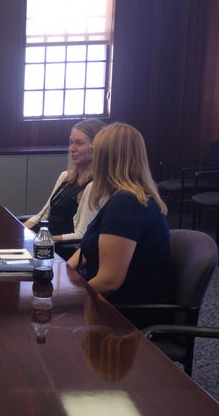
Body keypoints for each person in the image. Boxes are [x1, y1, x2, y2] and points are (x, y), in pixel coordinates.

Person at [67, 122, 172, 307]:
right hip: (113, 303)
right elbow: (90, 250)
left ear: (106, 159)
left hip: (126, 314)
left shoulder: (127, 205)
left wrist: (68, 299)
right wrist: (61, 275)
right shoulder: (124, 198)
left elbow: (109, 282)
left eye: (95, 152)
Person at [24, 119, 106, 259]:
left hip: (59, 251)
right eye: (71, 142)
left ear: (95, 148)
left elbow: (80, 235)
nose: (72, 148)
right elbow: (43, 214)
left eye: (79, 143)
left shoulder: (94, 186)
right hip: (42, 242)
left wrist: (42, 241)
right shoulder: (65, 177)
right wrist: (21, 231)